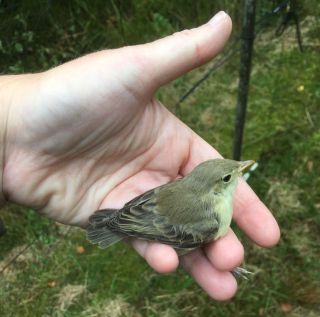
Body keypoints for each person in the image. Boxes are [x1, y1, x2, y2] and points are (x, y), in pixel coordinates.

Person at [0, 12, 279, 300]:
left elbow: (157, 202)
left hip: (132, 211)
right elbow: (165, 230)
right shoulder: (209, 222)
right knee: (204, 255)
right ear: (215, 187)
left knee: (220, 257)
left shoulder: (191, 193)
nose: (238, 171)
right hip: (134, 220)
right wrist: (118, 224)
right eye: (228, 175)